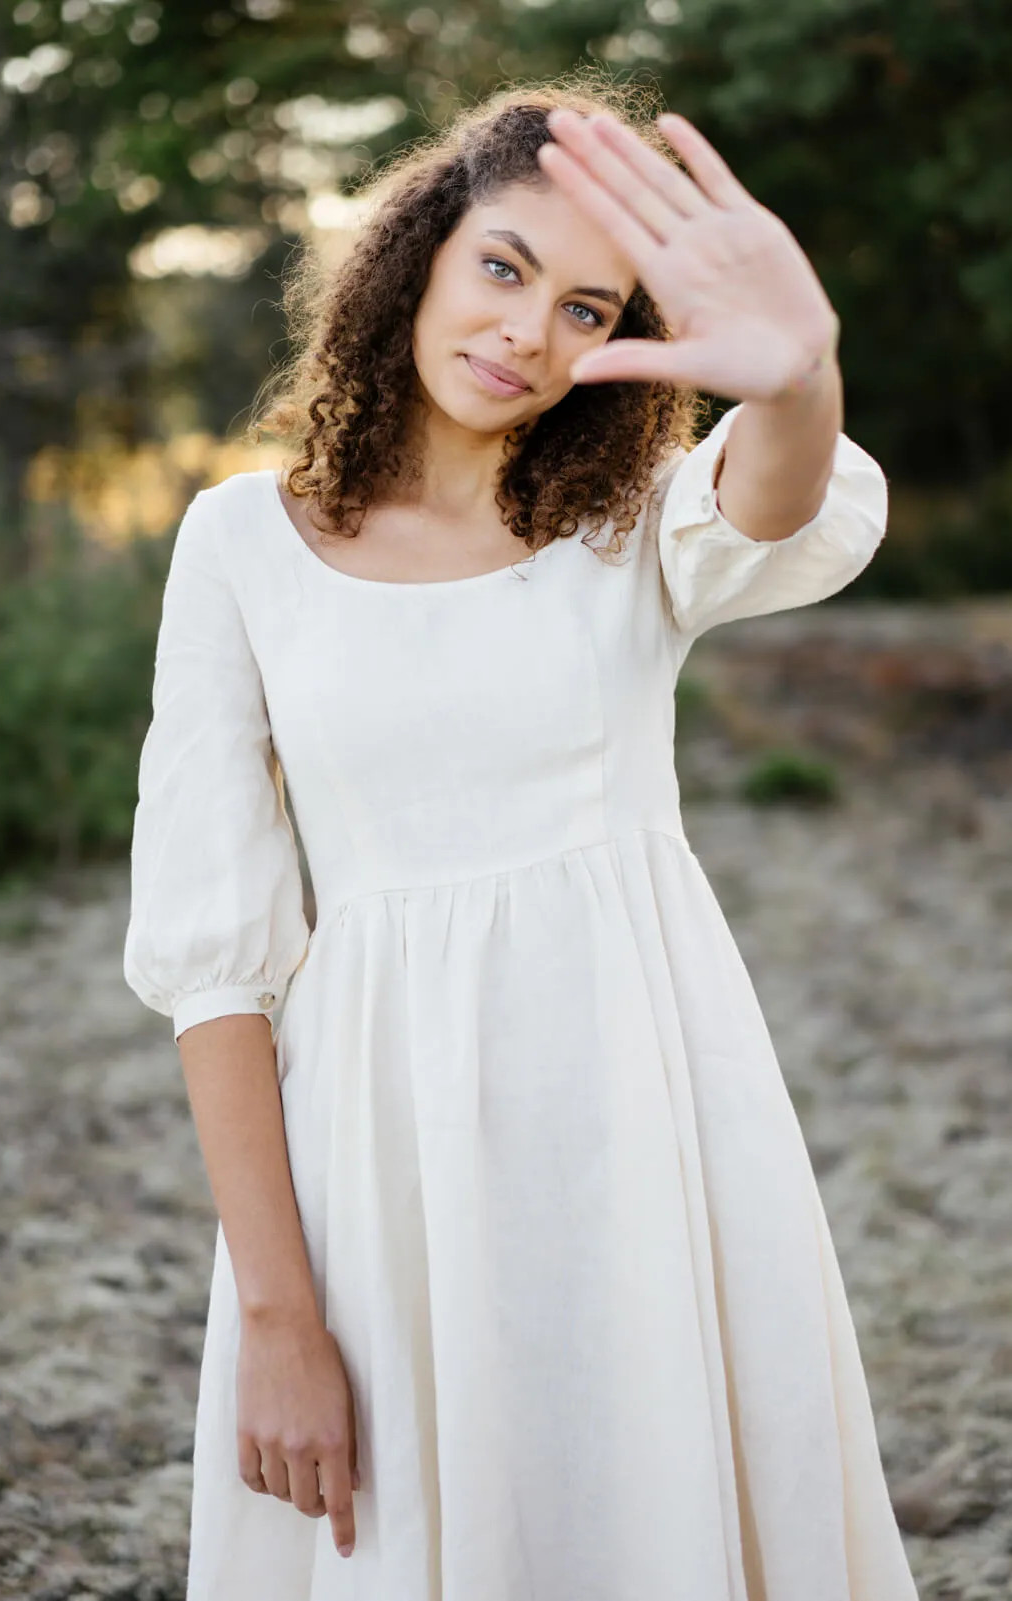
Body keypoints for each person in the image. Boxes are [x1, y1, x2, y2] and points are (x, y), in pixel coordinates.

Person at [124, 74, 920, 1601]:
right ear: (419, 250)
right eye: (502, 266)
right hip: (381, 1148)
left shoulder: (628, 526)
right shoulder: (240, 545)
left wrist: (799, 376)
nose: (526, 333)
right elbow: (214, 962)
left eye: (585, 309)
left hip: (649, 1111)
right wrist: (280, 1318)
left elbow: (773, 499)